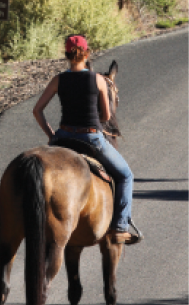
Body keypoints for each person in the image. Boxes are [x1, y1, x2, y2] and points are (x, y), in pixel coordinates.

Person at [32, 34, 142, 245]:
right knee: (126, 176)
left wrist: (52, 135)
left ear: (66, 54)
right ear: (87, 54)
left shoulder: (58, 80)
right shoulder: (97, 79)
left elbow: (37, 110)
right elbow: (106, 116)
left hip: (63, 136)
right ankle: (120, 227)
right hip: (90, 137)